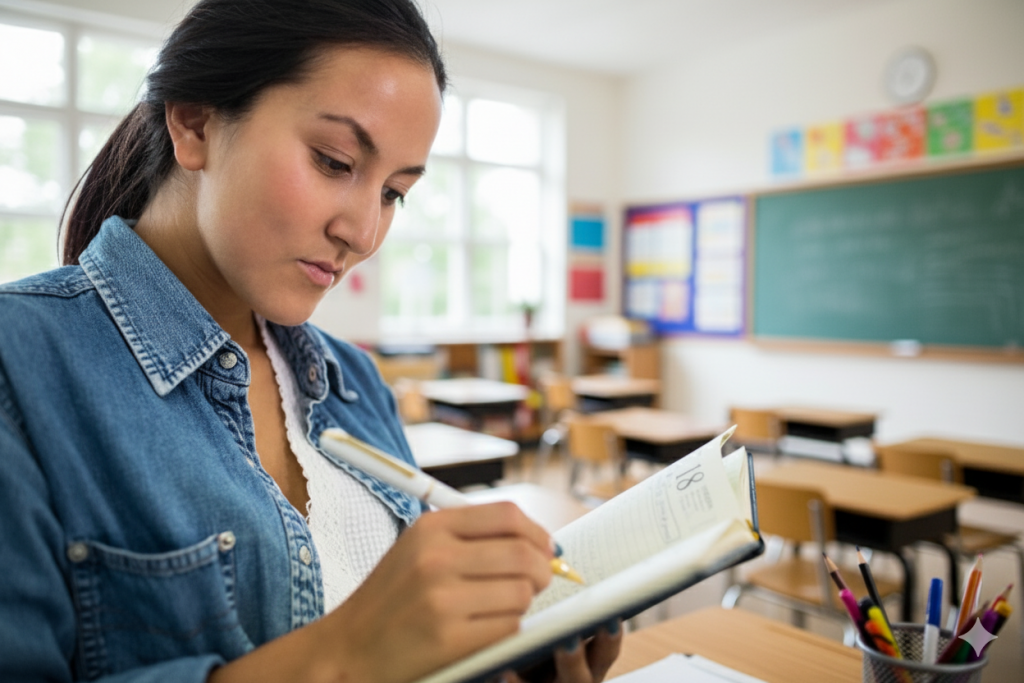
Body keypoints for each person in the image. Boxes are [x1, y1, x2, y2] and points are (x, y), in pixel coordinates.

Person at [0, 1, 622, 681]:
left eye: (394, 193)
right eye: (334, 161)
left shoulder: (353, 380)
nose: (363, 232)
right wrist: (344, 654)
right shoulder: (21, 366)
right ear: (194, 120)